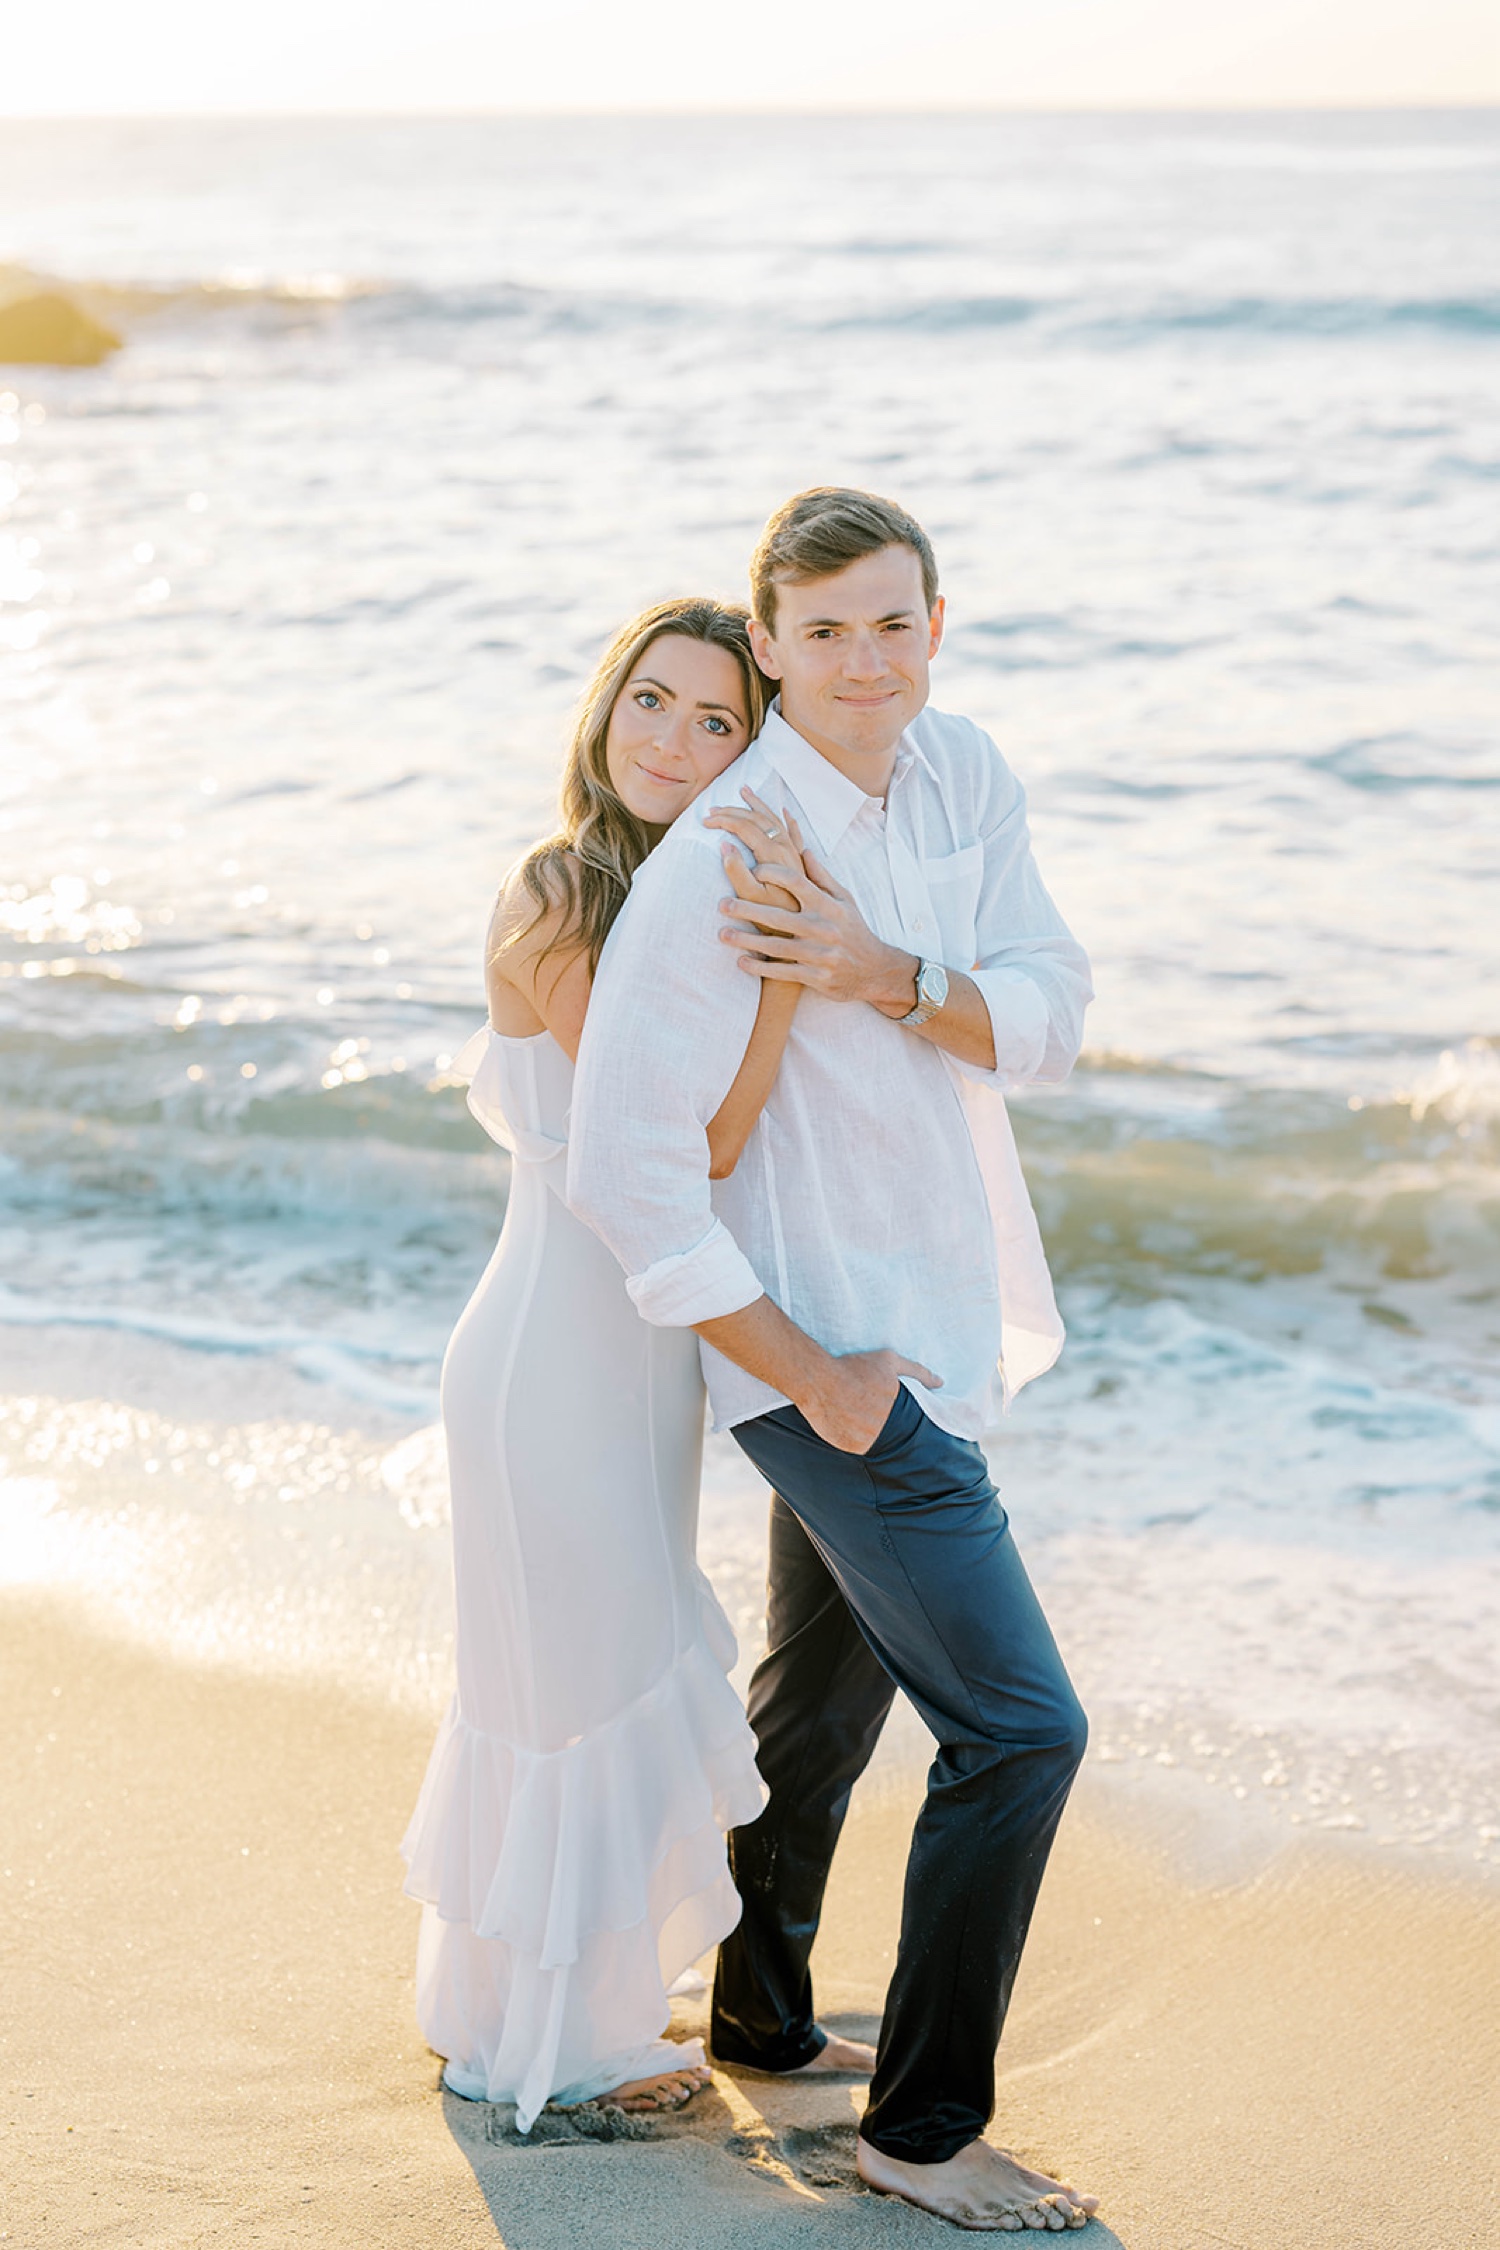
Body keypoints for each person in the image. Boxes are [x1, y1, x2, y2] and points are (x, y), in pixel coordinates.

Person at [568, 490, 1101, 2231]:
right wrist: (815, 1370)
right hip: (822, 1349)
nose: (864, 663)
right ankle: (924, 2130)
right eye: (822, 635)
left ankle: (759, 2009)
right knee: (1020, 1726)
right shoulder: (729, 854)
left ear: (935, 622)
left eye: (893, 624)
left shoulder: (961, 775)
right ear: (771, 647)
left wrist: (887, 970)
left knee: (826, 1689)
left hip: (928, 1317)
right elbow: (628, 1173)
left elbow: (1049, 1008)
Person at [400, 596, 821, 2132]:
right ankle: (550, 2038)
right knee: (567, 1685)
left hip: (646, 1370)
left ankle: (541, 2006)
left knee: (614, 1662)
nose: (675, 741)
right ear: (604, 706)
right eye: (654, 702)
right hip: (550, 1365)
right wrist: (783, 984)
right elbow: (686, 1154)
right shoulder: (565, 894)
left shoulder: (670, 902)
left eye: (718, 723)